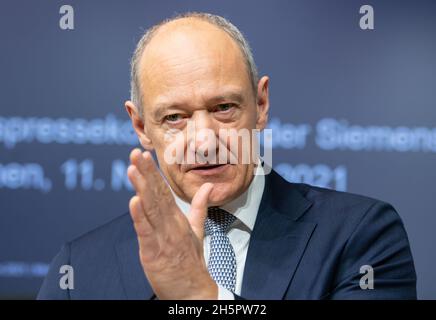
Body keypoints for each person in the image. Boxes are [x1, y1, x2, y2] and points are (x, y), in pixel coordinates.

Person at [38, 12, 416, 300]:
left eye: (223, 107)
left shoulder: (360, 235)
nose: (204, 140)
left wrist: (202, 297)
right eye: (174, 117)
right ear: (140, 126)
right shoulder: (78, 270)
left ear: (261, 103)